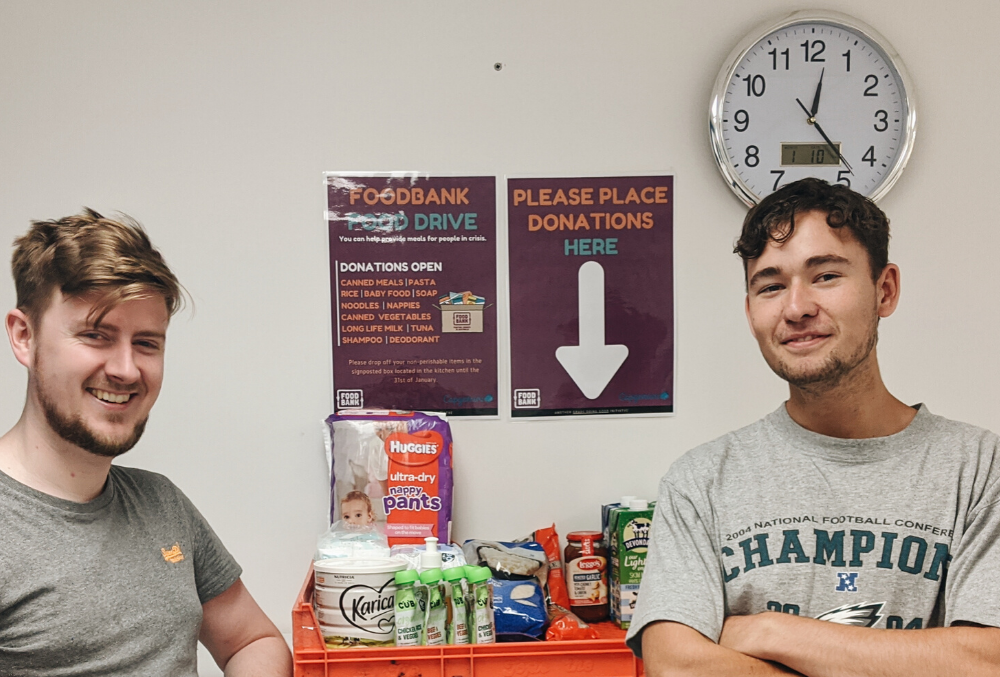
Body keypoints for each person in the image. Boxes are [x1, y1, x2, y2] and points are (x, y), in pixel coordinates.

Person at [626, 179, 1000, 676]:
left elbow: (984, 662)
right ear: (750, 311)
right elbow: (677, 666)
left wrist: (769, 631)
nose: (796, 308)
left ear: (884, 290)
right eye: (771, 286)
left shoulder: (978, 469)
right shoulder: (701, 482)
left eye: (825, 275)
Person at [0, 209, 292, 676]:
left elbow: (252, 641)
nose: (126, 370)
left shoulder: (161, 503)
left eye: (146, 343)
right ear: (24, 336)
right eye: (96, 335)